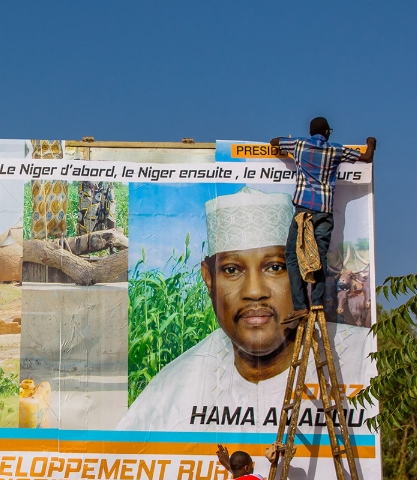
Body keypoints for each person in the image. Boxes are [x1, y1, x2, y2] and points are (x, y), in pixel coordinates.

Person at [118, 186, 373, 432]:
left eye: (275, 267)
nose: (254, 291)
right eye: (232, 270)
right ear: (209, 278)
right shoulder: (174, 387)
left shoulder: (362, 359)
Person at [271, 118, 375, 322]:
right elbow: (367, 157)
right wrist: (370, 141)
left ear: (311, 132)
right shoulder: (335, 150)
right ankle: (317, 301)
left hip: (303, 211)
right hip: (324, 211)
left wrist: (288, 143)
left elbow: (274, 142)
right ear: (327, 132)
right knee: (320, 257)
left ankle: (301, 305)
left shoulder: (299, 145)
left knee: (292, 256)